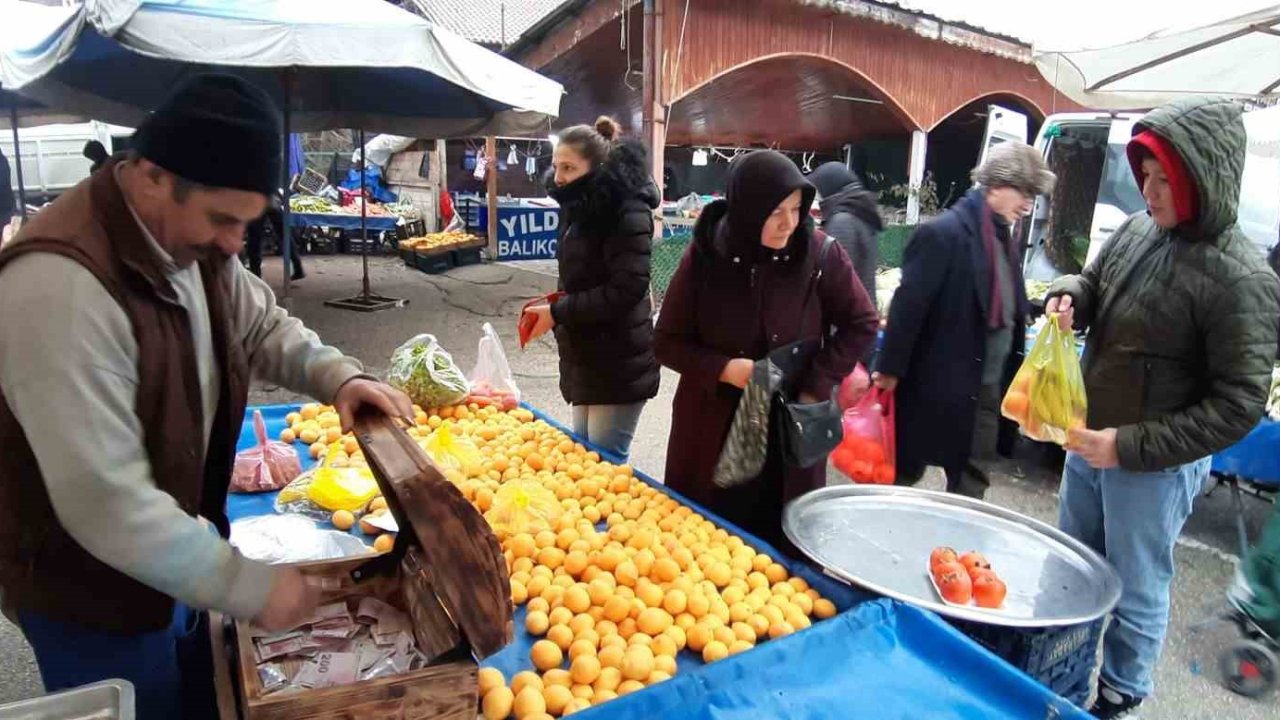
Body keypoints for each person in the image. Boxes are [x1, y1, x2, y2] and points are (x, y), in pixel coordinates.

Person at [0, 74, 413, 719]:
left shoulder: (190, 244)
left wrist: (340, 376)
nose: (232, 244)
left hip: (178, 554)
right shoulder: (58, 287)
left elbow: (260, 325)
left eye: (246, 225)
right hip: (92, 593)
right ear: (153, 176)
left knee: (199, 696)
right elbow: (107, 504)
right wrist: (245, 584)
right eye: (223, 219)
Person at [1046, 97, 1280, 718]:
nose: (1148, 191)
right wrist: (1069, 296)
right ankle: (1061, 670)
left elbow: (1236, 406)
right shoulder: (1136, 229)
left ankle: (1120, 695)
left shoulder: (1244, 280)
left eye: (1161, 180)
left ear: (1200, 178)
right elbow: (1093, 284)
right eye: (1143, 176)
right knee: (1073, 566)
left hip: (1152, 467)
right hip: (1088, 439)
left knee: (1136, 586)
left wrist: (1127, 446)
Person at [655, 150, 878, 549]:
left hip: (788, 432)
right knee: (705, 545)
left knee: (783, 549)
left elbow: (861, 322)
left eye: (797, 208)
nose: (789, 223)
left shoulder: (819, 254)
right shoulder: (706, 256)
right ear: (747, 208)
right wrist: (723, 368)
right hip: (713, 429)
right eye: (776, 210)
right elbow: (665, 342)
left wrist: (817, 382)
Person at [875, 143, 1055, 499]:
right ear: (996, 186)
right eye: (1024, 192)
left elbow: (1006, 301)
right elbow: (908, 308)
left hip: (983, 389)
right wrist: (890, 371)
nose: (1029, 204)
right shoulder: (944, 234)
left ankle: (958, 554)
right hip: (936, 383)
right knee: (903, 474)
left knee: (972, 482)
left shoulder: (1002, 236)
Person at [520, 117, 661, 461]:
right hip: (586, 354)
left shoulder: (627, 210)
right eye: (555, 166)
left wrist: (557, 312)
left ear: (598, 166)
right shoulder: (578, 206)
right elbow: (579, 277)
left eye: (568, 167)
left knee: (603, 466)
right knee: (583, 457)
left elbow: (626, 289)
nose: (559, 177)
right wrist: (553, 306)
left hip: (618, 359)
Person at [807, 161, 882, 319]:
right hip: (862, 314)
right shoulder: (861, 214)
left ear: (829, 188)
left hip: (845, 321)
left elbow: (833, 279)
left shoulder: (842, 222)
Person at [244, 205, 304, 280]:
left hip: (257, 200)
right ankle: (298, 267)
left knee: (254, 238)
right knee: (284, 234)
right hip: (272, 200)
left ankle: (255, 275)